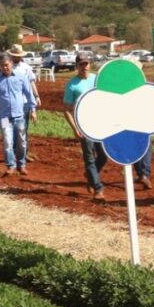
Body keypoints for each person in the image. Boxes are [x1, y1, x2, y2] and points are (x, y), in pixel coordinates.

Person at [64, 51, 108, 200]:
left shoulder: (97, 80)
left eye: (86, 63)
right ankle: (98, 188)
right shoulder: (72, 85)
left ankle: (90, 174)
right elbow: (66, 110)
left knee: (103, 155)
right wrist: (75, 128)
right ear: (77, 66)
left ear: (90, 64)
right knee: (89, 158)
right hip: (83, 125)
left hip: (99, 123)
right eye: (81, 64)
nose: (84, 66)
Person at [0, 53, 37, 176]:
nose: (5, 68)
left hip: (19, 116)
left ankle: (21, 164)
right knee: (7, 142)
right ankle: (11, 166)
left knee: (21, 142)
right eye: (2, 66)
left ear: (11, 64)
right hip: (4, 117)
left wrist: (33, 109)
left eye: (7, 65)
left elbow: (29, 93)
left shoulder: (21, 77)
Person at [8, 44, 41, 163]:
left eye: (18, 56)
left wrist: (36, 96)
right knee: (12, 129)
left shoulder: (26, 67)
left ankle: (23, 153)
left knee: (24, 129)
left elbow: (31, 83)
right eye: (15, 56)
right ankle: (13, 153)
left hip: (25, 103)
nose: (17, 58)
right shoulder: (8, 67)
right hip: (13, 103)